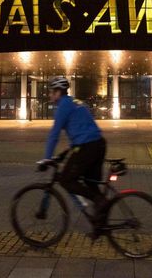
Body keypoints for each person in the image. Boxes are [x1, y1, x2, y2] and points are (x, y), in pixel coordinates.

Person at [38, 76, 108, 224]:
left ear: (58, 93)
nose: (50, 95)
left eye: (51, 92)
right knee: (91, 184)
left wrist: (46, 158)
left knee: (66, 180)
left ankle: (99, 201)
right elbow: (82, 128)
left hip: (87, 147)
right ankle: (101, 225)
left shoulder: (63, 105)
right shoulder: (77, 102)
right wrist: (65, 153)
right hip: (99, 144)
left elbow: (54, 135)